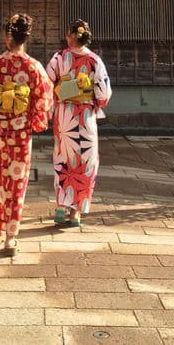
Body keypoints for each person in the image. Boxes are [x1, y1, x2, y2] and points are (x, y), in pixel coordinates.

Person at [0, 13, 53, 256]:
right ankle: (11, 237)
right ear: (26, 37)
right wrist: (32, 121)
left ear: (8, 35)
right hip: (20, 133)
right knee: (17, 183)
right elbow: (44, 102)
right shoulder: (33, 67)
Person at [46, 19, 112, 227]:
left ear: (70, 36)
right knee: (86, 162)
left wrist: (60, 96)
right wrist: (89, 97)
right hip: (85, 117)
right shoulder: (94, 60)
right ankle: (76, 213)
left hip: (64, 117)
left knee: (63, 160)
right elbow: (103, 94)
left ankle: (60, 207)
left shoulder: (59, 58)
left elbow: (47, 85)